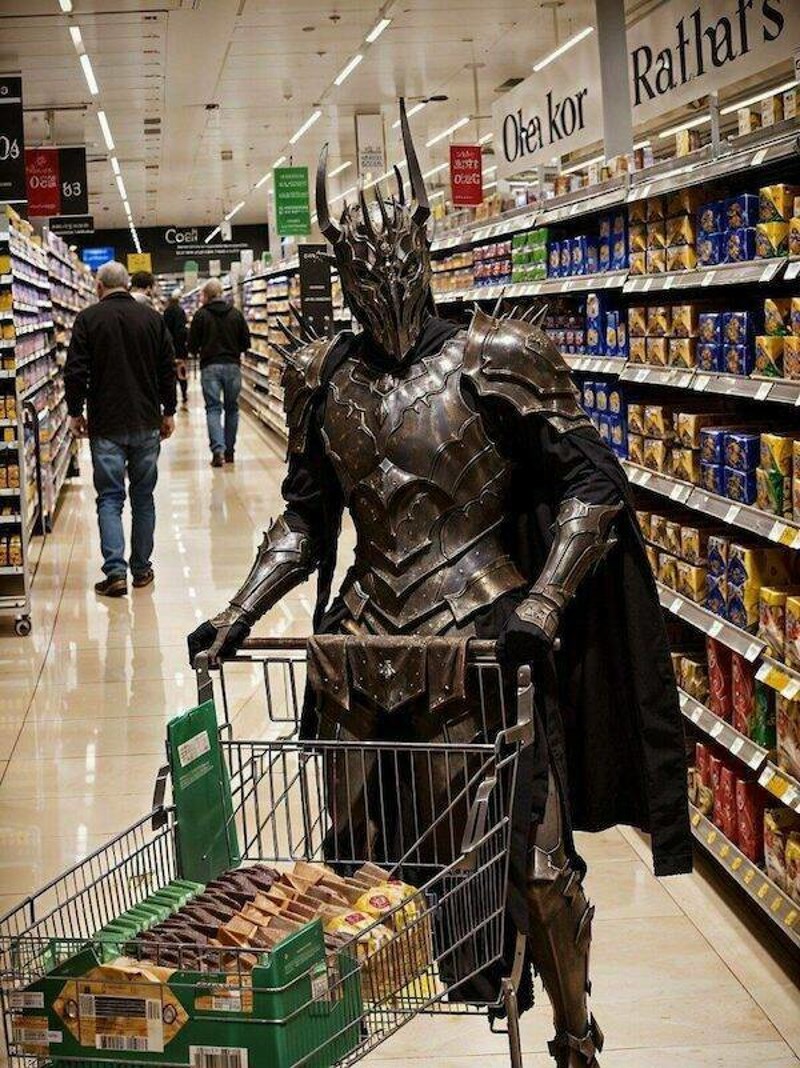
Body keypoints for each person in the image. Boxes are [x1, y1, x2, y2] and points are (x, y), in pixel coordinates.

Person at [188, 102, 692, 1068]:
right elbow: (307, 515)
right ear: (341, 274)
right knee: (350, 880)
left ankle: (574, 1034)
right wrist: (238, 611)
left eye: (394, 262)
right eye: (360, 270)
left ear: (421, 253)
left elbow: (593, 488)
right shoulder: (319, 376)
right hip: (362, 649)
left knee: (535, 866)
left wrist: (546, 599)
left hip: (486, 636)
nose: (381, 286)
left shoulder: (499, 356)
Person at [65, 260, 176, 597]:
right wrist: (169, 411)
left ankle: (115, 573)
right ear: (127, 285)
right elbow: (167, 369)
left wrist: (75, 412)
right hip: (145, 420)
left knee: (110, 499)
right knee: (143, 498)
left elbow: (75, 371)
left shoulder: (87, 319)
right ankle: (141, 570)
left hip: (106, 423)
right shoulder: (152, 318)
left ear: (99, 286)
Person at [188, 279, 250, 467]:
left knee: (213, 409)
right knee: (232, 408)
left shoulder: (200, 315)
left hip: (210, 366)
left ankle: (217, 451)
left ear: (206, 295)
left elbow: (192, 345)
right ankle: (230, 451)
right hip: (232, 366)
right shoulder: (236, 314)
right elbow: (245, 343)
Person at [163, 288, 189, 407]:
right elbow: (182, 330)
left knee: (171, 374)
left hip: (169, 348)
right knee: (182, 373)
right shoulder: (180, 311)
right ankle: (184, 394)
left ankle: (171, 398)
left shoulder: (166, 312)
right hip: (180, 349)